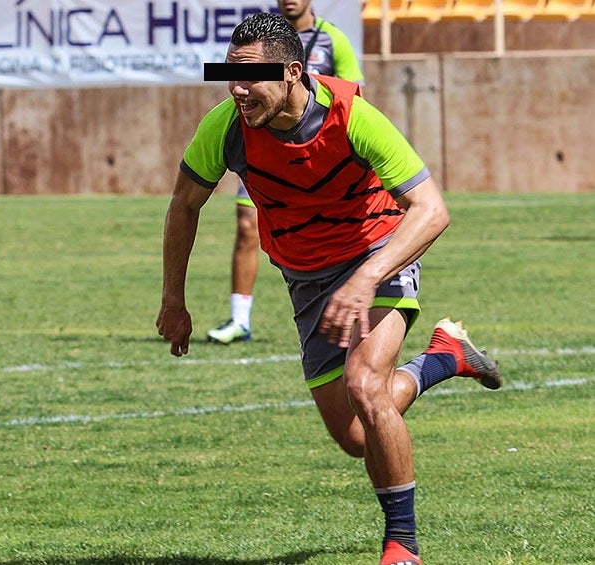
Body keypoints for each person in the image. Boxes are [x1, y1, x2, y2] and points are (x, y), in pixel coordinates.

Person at [156, 13, 503, 565]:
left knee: (367, 387)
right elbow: (184, 205)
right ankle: (445, 358)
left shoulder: (354, 118)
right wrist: (173, 298)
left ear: (293, 71)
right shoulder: (224, 127)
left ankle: (402, 547)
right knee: (356, 437)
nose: (237, 88)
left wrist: (366, 279)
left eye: (250, 76)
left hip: (378, 253)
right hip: (306, 277)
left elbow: (432, 211)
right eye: (231, 75)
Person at [207, 0, 365, 345]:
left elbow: (355, 97)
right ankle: (239, 319)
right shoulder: (260, 42)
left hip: (318, 159)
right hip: (264, 154)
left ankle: (345, 300)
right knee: (246, 224)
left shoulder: (332, 39)